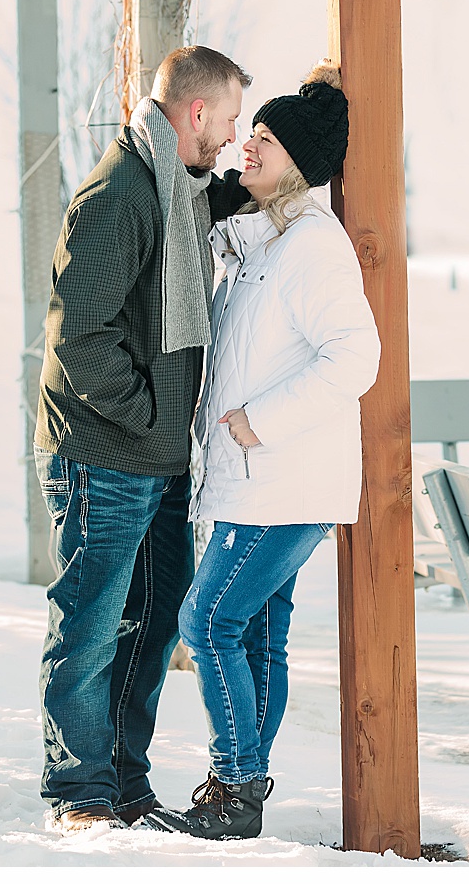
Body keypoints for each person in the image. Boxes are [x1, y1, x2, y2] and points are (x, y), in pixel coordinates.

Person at [143, 63, 380, 842]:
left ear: (301, 165)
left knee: (206, 621)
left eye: (267, 141)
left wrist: (259, 420)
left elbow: (355, 357)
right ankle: (242, 788)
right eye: (254, 134)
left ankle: (237, 785)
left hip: (285, 480)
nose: (248, 147)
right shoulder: (259, 242)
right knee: (254, 635)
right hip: (256, 481)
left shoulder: (313, 246)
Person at [34, 45, 254, 830]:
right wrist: (154, 415)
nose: (230, 142)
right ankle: (80, 793)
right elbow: (78, 338)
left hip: (156, 457)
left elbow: (225, 194)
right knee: (92, 625)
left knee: (155, 624)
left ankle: (125, 785)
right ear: (194, 113)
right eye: (228, 123)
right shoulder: (120, 195)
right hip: (103, 452)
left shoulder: (177, 184)